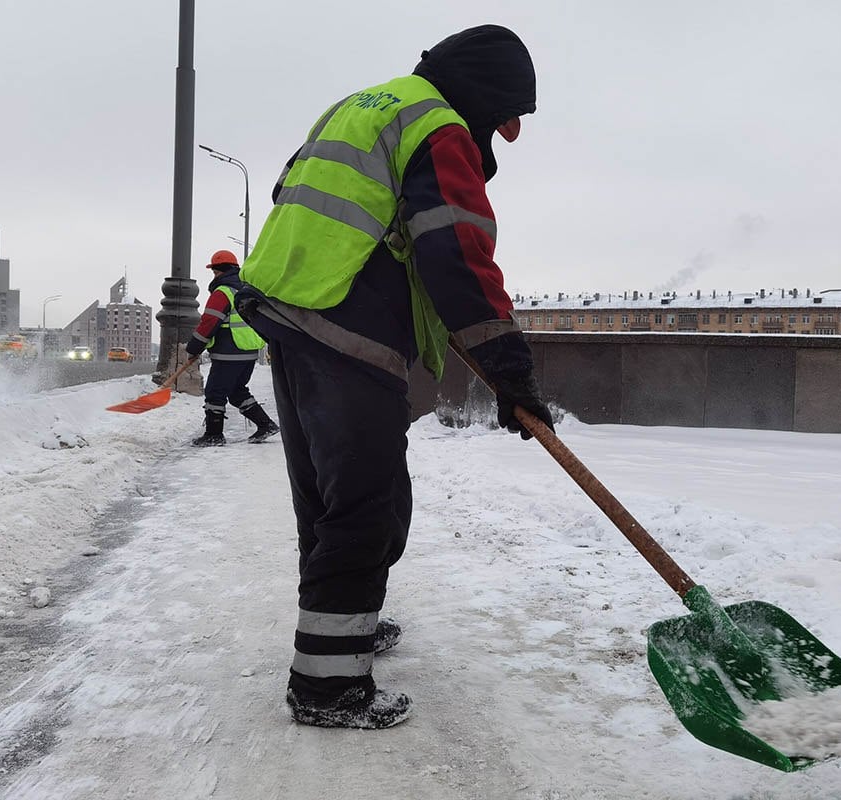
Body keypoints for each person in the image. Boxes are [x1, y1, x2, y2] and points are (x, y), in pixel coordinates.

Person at [235, 24, 554, 729]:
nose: (506, 137)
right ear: (483, 95)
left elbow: (305, 194)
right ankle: (326, 688)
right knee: (364, 506)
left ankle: (341, 631)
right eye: (506, 119)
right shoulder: (437, 126)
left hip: (291, 314)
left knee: (330, 500)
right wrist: (512, 373)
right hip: (348, 326)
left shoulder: (365, 106)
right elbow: (459, 258)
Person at [186, 250, 280, 447]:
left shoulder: (223, 292)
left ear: (219, 271)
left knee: (214, 392)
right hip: (248, 351)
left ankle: (213, 434)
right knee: (237, 391)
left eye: (214, 272)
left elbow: (209, 323)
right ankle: (266, 425)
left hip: (229, 352)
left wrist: (194, 347)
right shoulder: (247, 290)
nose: (214, 275)